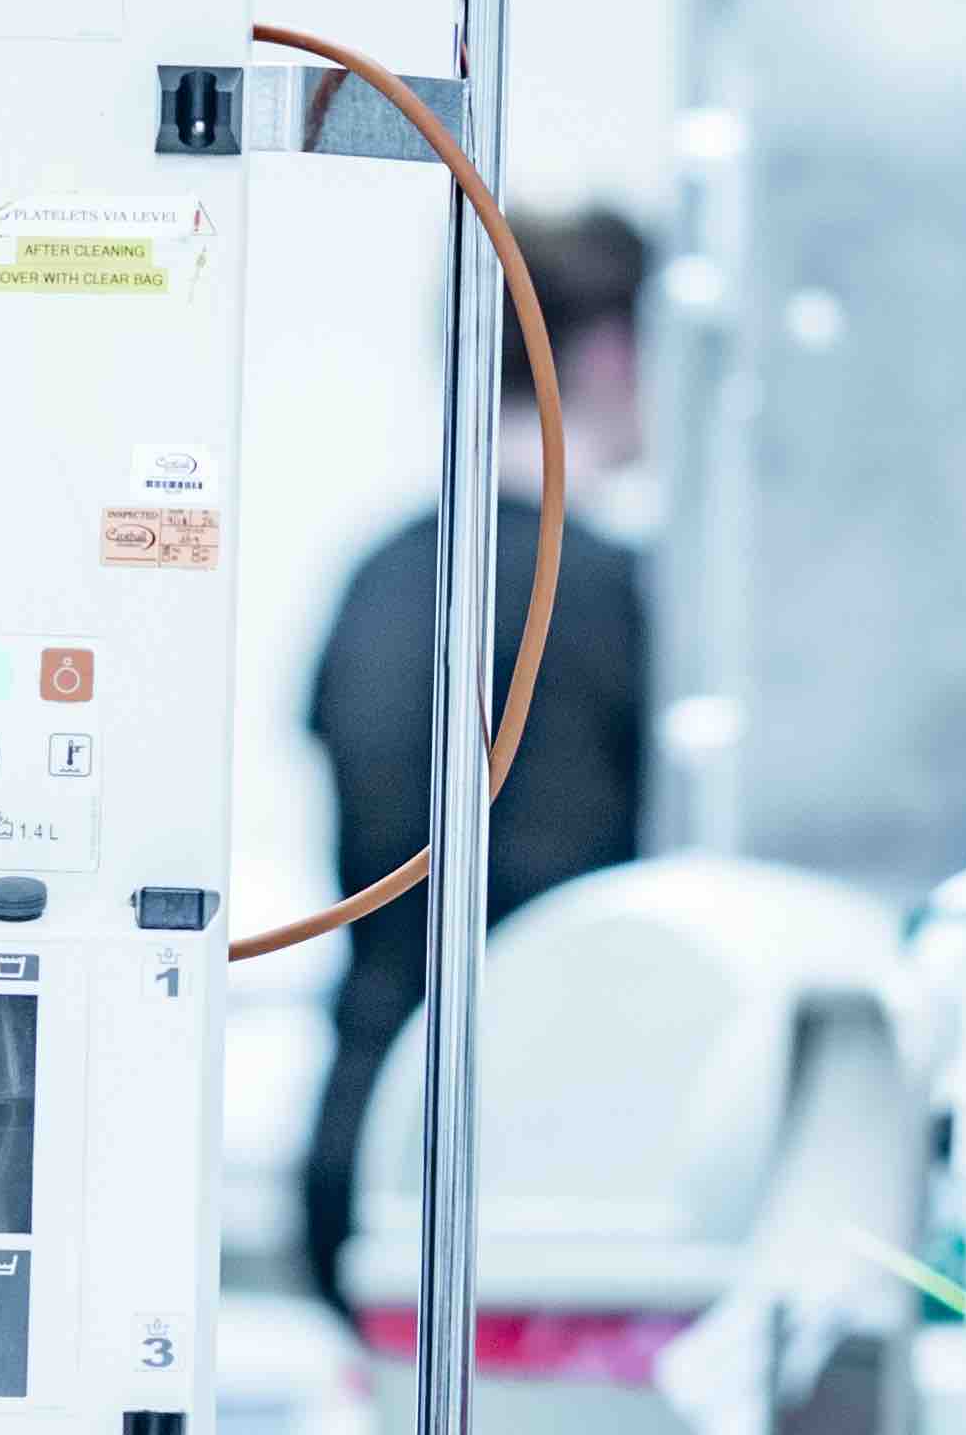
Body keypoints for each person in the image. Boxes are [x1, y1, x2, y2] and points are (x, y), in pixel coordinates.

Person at [295, 208, 658, 1321]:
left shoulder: (377, 575)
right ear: (610, 354)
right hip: (529, 1161)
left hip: (358, 1143)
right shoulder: (599, 591)